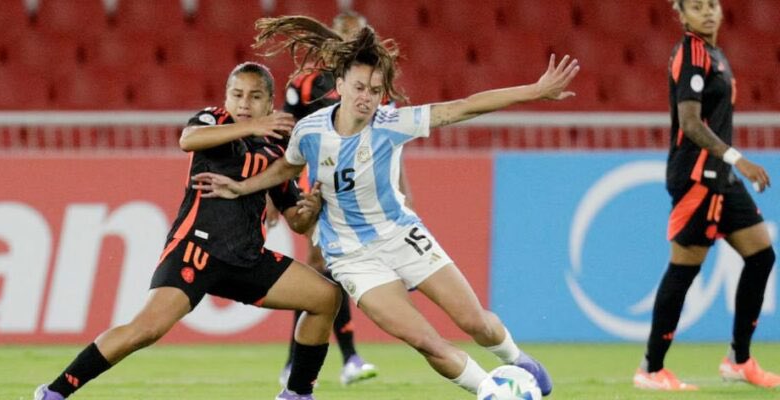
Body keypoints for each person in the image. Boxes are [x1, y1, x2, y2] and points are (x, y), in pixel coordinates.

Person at [191, 16, 579, 396]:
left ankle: (517, 360)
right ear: (339, 84)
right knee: (426, 341)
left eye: (375, 90)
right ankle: (491, 391)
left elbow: (463, 106)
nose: (366, 97)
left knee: (476, 323)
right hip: (351, 256)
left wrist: (533, 91)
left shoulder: (391, 123)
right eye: (359, 86)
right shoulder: (309, 131)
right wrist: (242, 189)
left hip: (402, 236)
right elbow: (286, 168)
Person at [33, 62, 342, 400]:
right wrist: (254, 124)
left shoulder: (278, 150)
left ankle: (297, 394)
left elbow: (295, 220)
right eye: (237, 95)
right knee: (145, 330)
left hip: (247, 258)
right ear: (226, 98)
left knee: (326, 297)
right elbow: (188, 139)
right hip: (196, 251)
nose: (244, 103)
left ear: (270, 103)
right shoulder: (214, 121)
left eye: (255, 97)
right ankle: (53, 393)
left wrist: (310, 210)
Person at [632, 0, 778, 391]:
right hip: (696, 176)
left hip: (721, 178)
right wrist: (738, 159)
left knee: (762, 254)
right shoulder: (691, 53)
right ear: (680, 15)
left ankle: (739, 360)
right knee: (684, 268)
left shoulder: (716, 53)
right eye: (696, 7)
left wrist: (730, 166)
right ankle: (651, 368)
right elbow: (690, 123)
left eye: (712, 4)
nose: (708, 12)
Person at [276, 10, 414, 387]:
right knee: (319, 265)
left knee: (333, 269)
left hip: (366, 189)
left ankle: (328, 359)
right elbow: (285, 139)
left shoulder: (373, 85)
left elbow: (390, 143)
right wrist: (277, 196)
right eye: (345, 36)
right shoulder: (305, 85)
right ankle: (324, 359)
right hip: (318, 185)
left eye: (358, 36)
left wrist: (402, 188)